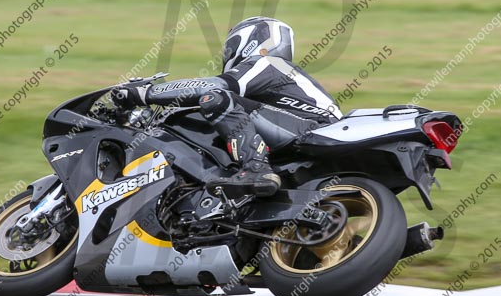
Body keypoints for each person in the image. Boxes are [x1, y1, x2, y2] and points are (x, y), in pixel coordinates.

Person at [121, 16, 342, 197]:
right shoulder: (274, 81)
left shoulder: (266, 63)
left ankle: (255, 169)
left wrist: (143, 93)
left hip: (314, 130)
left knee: (215, 98)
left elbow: (210, 87)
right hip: (312, 136)